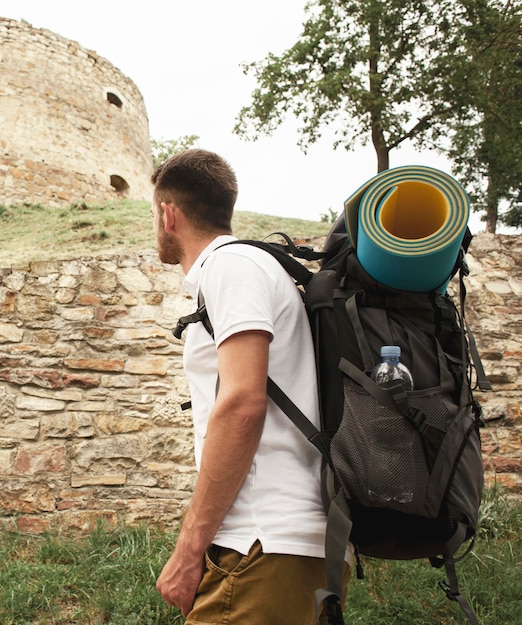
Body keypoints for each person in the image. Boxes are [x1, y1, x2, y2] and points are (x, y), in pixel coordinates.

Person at [151, 149, 351, 625]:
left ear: (168, 214)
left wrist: (188, 550)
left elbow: (242, 403)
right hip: (288, 547)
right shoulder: (263, 267)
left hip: (261, 546)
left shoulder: (230, 266)